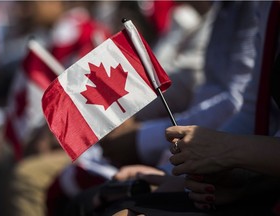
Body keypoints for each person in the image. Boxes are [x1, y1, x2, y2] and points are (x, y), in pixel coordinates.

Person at [99, 1, 260, 168]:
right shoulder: (221, 10)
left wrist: (140, 136)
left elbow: (235, 105)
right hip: (192, 152)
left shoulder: (250, 7)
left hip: (223, 164)